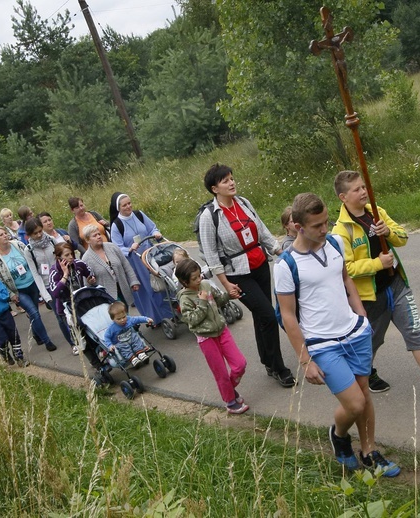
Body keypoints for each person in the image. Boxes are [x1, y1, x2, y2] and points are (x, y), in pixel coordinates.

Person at [274, 192, 400, 476]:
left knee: (364, 393)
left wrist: (361, 316)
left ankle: (369, 451)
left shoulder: (334, 242)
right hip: (323, 344)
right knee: (354, 402)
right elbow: (288, 316)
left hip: (354, 333)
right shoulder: (285, 266)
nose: (324, 229)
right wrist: (305, 361)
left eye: (326, 222)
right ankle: (339, 435)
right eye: (317, 226)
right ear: (297, 225)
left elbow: (345, 278)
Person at [331, 170, 420, 400]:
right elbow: (347, 269)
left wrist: (389, 232)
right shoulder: (340, 231)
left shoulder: (377, 212)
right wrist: (376, 263)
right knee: (371, 341)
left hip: (396, 284)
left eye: (364, 187)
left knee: (414, 330)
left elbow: (403, 237)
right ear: (343, 197)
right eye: (356, 189)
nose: (363, 192)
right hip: (370, 296)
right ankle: (368, 373)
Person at [197, 164, 294, 387]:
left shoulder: (243, 202)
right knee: (269, 315)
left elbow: (261, 230)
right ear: (214, 188)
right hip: (236, 274)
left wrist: (280, 252)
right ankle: (279, 368)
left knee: (263, 317)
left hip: (259, 265)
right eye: (225, 181)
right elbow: (211, 256)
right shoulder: (208, 216)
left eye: (231, 178)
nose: (231, 183)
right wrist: (225, 284)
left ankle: (268, 362)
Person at [176, 258, 249, 414]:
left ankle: (229, 389)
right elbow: (191, 321)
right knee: (220, 373)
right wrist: (201, 303)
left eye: (199, 276)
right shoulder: (185, 298)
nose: (199, 280)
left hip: (222, 331)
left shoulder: (206, 285)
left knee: (240, 364)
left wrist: (230, 295)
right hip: (206, 339)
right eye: (194, 279)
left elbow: (220, 299)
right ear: (184, 281)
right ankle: (230, 402)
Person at [0, 226, 58, 351]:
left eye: (5, 233)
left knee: (34, 310)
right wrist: (10, 294)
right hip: (18, 290)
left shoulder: (18, 245)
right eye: (1, 234)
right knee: (34, 313)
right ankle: (47, 341)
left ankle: (36, 334)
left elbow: (31, 259)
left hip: (32, 283)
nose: (5, 236)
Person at [108, 192, 173, 324]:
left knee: (161, 282)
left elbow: (151, 228)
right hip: (134, 261)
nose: (128, 206)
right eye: (124, 205)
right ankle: (153, 318)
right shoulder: (117, 225)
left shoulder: (139, 214)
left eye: (129, 203)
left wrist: (155, 233)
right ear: (118, 208)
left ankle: (170, 312)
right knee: (146, 288)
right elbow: (116, 247)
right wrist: (130, 248)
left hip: (150, 255)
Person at [49, 242, 97, 354]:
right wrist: (65, 275)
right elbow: (55, 292)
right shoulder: (54, 272)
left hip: (82, 303)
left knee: (91, 331)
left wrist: (91, 279)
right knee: (80, 338)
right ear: (58, 257)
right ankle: (94, 362)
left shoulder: (78, 263)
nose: (71, 257)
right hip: (66, 309)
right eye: (66, 255)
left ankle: (99, 352)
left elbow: (89, 272)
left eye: (71, 253)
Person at [81, 224, 140, 306]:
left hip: (122, 290)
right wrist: (90, 282)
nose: (99, 237)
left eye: (99, 234)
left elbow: (126, 265)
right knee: (120, 316)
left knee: (125, 315)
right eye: (95, 236)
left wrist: (133, 281)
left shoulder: (112, 247)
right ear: (87, 240)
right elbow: (87, 285)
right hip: (106, 296)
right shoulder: (86, 258)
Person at [104, 301, 153, 367]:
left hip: (130, 337)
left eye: (124, 317)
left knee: (136, 338)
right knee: (123, 347)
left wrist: (146, 319)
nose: (122, 320)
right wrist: (110, 345)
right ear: (113, 319)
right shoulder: (112, 328)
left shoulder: (129, 319)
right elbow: (106, 337)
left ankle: (140, 353)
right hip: (120, 342)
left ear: (126, 314)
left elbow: (137, 319)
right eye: (119, 319)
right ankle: (132, 358)